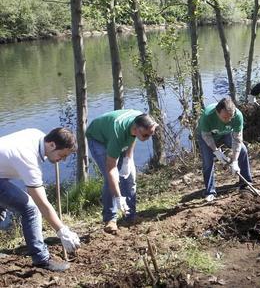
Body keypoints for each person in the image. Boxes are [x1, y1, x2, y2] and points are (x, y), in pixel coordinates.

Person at [0, 128, 81, 271]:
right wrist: (62, 231)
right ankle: (41, 260)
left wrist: (56, 155)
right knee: (31, 209)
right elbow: (42, 203)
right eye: (62, 156)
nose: (62, 160)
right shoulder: (28, 159)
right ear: (52, 145)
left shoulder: (38, 135)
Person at [86, 110, 158, 234]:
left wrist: (127, 159)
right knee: (111, 181)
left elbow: (132, 138)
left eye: (150, 135)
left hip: (116, 135)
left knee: (130, 177)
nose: (148, 138)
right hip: (98, 139)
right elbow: (111, 168)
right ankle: (110, 219)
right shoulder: (117, 134)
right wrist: (118, 197)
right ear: (136, 129)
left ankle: (130, 215)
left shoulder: (141, 119)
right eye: (146, 135)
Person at [197, 97, 253, 202]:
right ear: (217, 113)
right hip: (208, 135)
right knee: (208, 161)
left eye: (230, 117)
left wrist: (235, 161)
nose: (228, 120)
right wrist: (216, 151)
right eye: (225, 117)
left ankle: (245, 184)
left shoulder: (237, 116)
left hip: (226, 133)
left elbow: (237, 140)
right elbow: (206, 136)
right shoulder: (207, 116)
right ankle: (210, 192)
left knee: (243, 151)